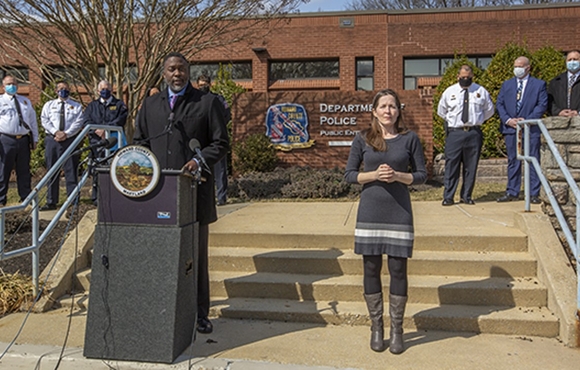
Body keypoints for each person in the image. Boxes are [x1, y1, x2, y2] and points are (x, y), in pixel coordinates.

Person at [134, 52, 229, 334]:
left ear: (188, 71)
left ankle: (200, 313)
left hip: (193, 192)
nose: (177, 74)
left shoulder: (207, 102)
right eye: (172, 69)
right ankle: (161, 309)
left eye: (182, 69)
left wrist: (198, 160)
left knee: (195, 257)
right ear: (164, 73)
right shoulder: (150, 104)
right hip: (158, 194)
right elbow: (140, 142)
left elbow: (220, 143)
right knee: (159, 256)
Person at [344, 89, 427, 354]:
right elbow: (349, 175)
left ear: (398, 110)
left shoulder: (409, 138)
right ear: (374, 110)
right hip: (370, 210)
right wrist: (374, 175)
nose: (388, 110)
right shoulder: (362, 138)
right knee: (370, 269)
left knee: (398, 270)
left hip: (399, 210)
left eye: (392, 106)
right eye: (383, 106)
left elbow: (423, 175)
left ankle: (397, 330)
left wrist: (399, 177)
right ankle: (377, 327)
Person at [437, 65, 494, 206]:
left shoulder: (480, 91)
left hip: (473, 133)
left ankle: (466, 196)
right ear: (458, 77)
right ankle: (448, 196)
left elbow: (489, 111)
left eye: (468, 77)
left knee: (471, 166)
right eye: (463, 77)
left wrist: (476, 121)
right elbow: (442, 111)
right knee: (451, 166)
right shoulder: (450, 91)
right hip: (455, 133)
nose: (465, 80)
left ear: (472, 76)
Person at [496, 56, 547, 205]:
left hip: (530, 129)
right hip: (511, 129)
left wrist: (527, 121)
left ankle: (533, 193)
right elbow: (500, 104)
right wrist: (508, 120)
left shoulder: (539, 85)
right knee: (513, 160)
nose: (517, 69)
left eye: (520, 66)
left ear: (528, 67)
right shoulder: (507, 85)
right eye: (515, 66)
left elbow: (542, 105)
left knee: (532, 159)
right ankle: (512, 191)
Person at [39, 81, 84, 211]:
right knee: (52, 170)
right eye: (61, 88)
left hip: (70, 140)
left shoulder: (76, 106)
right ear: (56, 91)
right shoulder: (49, 105)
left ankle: (73, 200)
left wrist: (66, 134)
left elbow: (79, 122)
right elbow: (44, 120)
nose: (63, 90)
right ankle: (51, 201)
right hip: (52, 139)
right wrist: (56, 132)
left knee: (71, 170)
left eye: (66, 88)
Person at [82, 80, 128, 204]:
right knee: (97, 169)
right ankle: (96, 198)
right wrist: (97, 130)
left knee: (115, 169)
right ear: (97, 91)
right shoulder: (92, 106)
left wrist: (106, 129)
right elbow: (86, 121)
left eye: (107, 88)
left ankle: (115, 196)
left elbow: (121, 120)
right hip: (96, 143)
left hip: (114, 143)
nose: (105, 91)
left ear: (112, 89)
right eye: (102, 89)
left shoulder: (119, 105)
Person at [0, 75, 39, 207]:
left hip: (23, 140)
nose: (12, 86)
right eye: (9, 84)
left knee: (24, 170)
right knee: (3, 170)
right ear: (3, 87)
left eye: (14, 83)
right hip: (6, 139)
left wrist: (35, 138)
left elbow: (32, 121)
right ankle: (1, 199)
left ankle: (25, 198)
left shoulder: (25, 101)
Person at [197, 74, 230, 206]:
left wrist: (217, 128)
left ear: (210, 85)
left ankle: (221, 198)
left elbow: (227, 115)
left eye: (204, 84)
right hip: (200, 140)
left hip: (216, 139)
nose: (202, 87)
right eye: (200, 85)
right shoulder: (194, 100)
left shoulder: (218, 99)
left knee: (220, 169)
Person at [547, 50, 580, 117]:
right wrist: (559, 112)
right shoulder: (556, 81)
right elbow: (549, 102)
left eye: (575, 59)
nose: (572, 62)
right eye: (569, 60)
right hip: (561, 122)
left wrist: (578, 113)